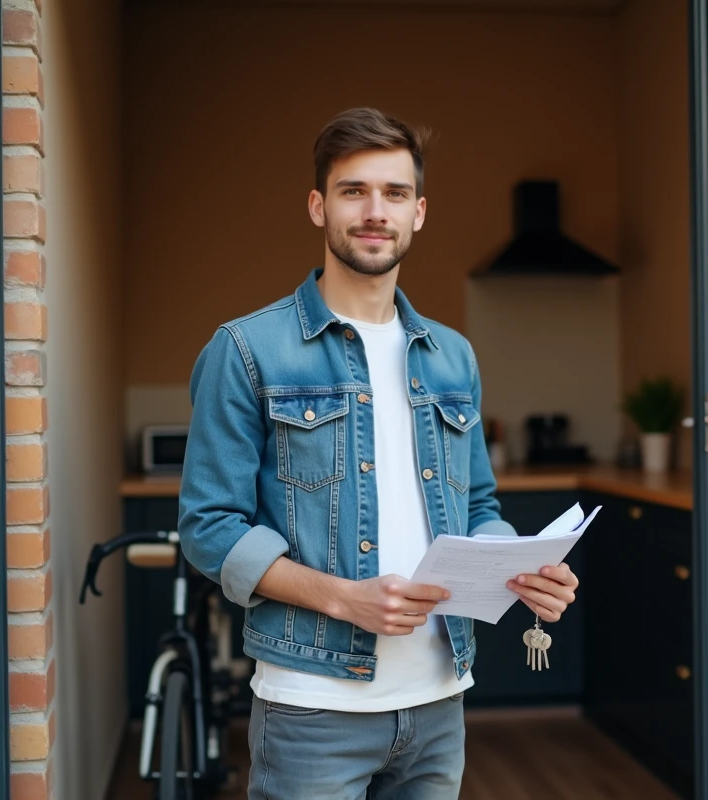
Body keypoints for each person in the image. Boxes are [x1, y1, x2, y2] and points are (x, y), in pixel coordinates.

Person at [177, 107, 581, 800]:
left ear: (418, 213)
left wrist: (520, 566)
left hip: (440, 701)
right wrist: (346, 601)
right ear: (317, 205)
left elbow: (478, 505)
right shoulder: (247, 350)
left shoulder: (452, 356)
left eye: (394, 194)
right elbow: (209, 528)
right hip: (312, 708)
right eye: (352, 190)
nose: (374, 211)